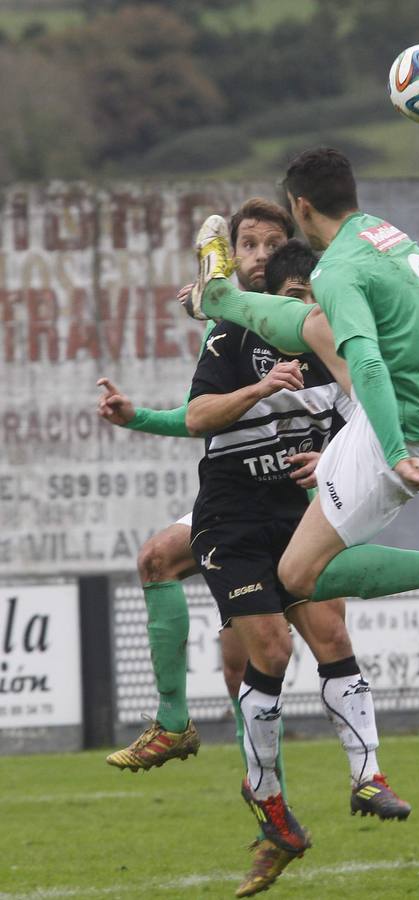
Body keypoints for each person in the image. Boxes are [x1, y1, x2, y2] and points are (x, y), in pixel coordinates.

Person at [183, 147, 419, 613]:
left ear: (301, 207)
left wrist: (395, 453)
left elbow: (369, 366)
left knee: (297, 574)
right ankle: (219, 300)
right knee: (316, 323)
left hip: (408, 428)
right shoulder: (382, 233)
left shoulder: (336, 271)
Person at [186, 237, 411, 896]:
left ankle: (368, 778)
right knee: (274, 650)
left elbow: (360, 427)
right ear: (271, 301)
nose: (304, 316)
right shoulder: (233, 337)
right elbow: (199, 416)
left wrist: (333, 460)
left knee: (335, 637)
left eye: (314, 305)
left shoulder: (332, 352)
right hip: (231, 522)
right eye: (292, 302)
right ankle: (269, 802)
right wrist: (259, 389)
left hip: (294, 519)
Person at [97, 200, 294, 793]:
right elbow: (200, 418)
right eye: (248, 246)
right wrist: (137, 417)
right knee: (158, 561)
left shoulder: (302, 313)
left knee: (276, 659)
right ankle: (178, 724)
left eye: (271, 244)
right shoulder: (223, 320)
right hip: (235, 499)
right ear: (231, 256)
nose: (260, 256)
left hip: (293, 504)